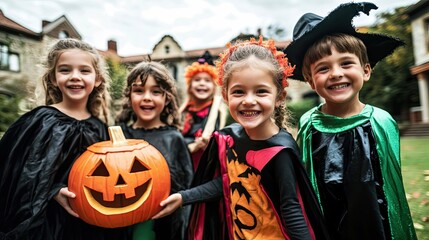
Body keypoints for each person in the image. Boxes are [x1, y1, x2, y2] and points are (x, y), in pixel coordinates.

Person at [152, 37, 330, 240]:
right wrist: (184, 197)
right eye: (238, 92)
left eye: (261, 91)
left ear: (279, 96)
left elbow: (292, 210)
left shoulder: (281, 152)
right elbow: (228, 181)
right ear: (226, 96)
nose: (248, 100)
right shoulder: (230, 139)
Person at [284, 2, 417, 240]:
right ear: (310, 81)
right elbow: (306, 184)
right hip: (329, 227)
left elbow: (391, 188)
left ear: (366, 70)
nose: (336, 73)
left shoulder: (381, 121)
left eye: (346, 63)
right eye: (323, 68)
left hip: (376, 226)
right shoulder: (309, 124)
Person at [0, 38, 127, 240]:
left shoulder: (100, 128)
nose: (75, 77)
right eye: (65, 70)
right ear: (52, 78)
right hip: (50, 224)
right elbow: (19, 177)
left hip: (90, 225)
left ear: (98, 79)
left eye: (84, 71)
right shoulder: (40, 121)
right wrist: (53, 191)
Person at [116, 61, 194, 240]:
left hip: (163, 227)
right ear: (129, 96)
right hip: (123, 225)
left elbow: (186, 188)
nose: (147, 97)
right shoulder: (118, 135)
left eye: (156, 91)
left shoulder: (174, 139)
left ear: (167, 99)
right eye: (139, 91)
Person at [180, 51, 227, 171]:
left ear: (214, 86)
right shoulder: (183, 112)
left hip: (205, 166)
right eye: (197, 80)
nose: (202, 83)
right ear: (190, 86)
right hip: (184, 163)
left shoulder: (216, 112)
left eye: (207, 80)